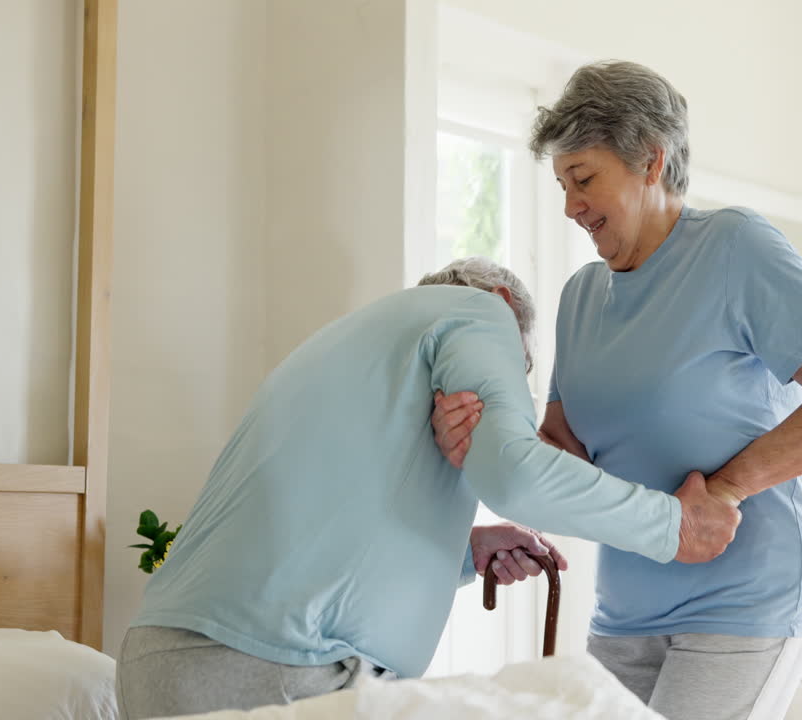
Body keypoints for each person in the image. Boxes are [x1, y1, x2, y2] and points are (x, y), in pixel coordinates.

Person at [432, 61, 802, 720]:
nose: (570, 206)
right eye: (562, 184)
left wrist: (728, 489)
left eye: (584, 179)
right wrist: (481, 438)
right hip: (625, 609)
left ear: (651, 161)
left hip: (748, 595)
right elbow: (565, 454)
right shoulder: (581, 296)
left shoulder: (734, 247)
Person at [115, 256, 743, 719]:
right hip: (268, 669)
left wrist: (464, 550)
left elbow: (339, 515)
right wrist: (675, 526)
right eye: (519, 368)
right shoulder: (478, 312)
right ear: (502, 304)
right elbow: (516, 471)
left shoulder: (356, 344)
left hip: (164, 666)